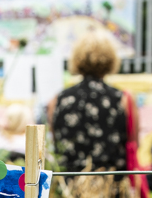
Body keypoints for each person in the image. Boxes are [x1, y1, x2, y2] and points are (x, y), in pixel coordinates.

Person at [49, 34, 137, 172]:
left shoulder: (58, 100)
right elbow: (133, 143)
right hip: (111, 183)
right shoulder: (123, 99)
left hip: (69, 185)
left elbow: (56, 142)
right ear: (111, 59)